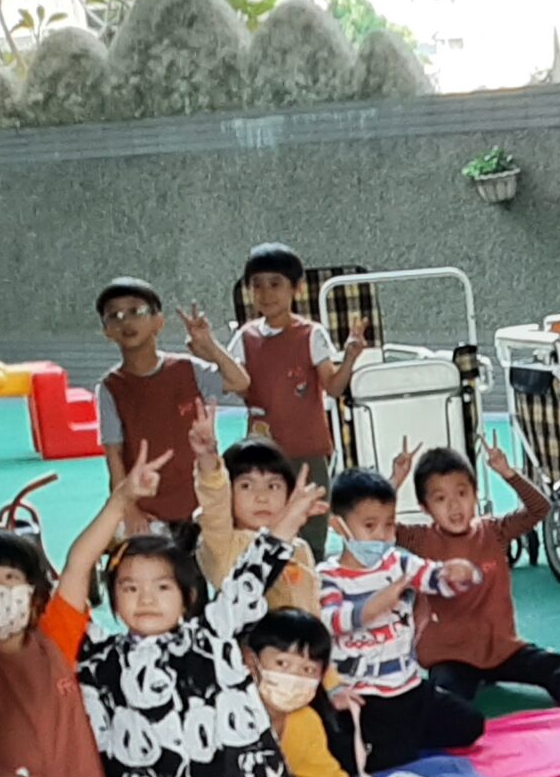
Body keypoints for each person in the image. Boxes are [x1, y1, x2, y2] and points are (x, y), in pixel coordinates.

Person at [79, 480, 318, 777]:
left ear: (186, 596)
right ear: (112, 598)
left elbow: (250, 579)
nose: (146, 598)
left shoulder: (211, 635)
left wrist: (288, 520)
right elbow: (68, 590)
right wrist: (117, 507)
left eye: (162, 588)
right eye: (129, 588)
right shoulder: (100, 659)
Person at [0, 443, 164, 777]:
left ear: (33, 592)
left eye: (9, 579)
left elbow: (79, 562)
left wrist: (121, 500)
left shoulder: (55, 637)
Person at [400, 444, 560, 708]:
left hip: (501, 650)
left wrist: (509, 473)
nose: (454, 505)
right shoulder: (421, 539)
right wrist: (395, 481)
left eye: (462, 493)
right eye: (440, 499)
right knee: (445, 697)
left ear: (476, 494)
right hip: (451, 656)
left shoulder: (494, 532)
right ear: (425, 507)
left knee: (550, 663)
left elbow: (540, 509)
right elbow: (377, 527)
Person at [319, 467, 487, 773]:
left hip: (409, 687)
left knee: (471, 725)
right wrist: (374, 606)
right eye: (370, 526)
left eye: (389, 525)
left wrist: (459, 573)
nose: (382, 536)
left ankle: (396, 737)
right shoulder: (327, 576)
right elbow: (331, 621)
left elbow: (433, 577)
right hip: (364, 695)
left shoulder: (397, 561)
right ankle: (368, 740)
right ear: (338, 526)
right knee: (387, 758)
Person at [241, 609, 440, 777]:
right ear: (250, 659)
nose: (294, 677)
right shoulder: (224, 712)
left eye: (308, 669)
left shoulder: (302, 723)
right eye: (282, 664)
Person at [225, 244, 365, 558]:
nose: (266, 293)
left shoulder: (311, 334)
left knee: (311, 532)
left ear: (296, 289)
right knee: (263, 531)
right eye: (257, 285)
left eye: (275, 284)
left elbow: (333, 387)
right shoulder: (245, 337)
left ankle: (311, 581)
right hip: (262, 456)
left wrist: (350, 357)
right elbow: (235, 383)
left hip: (308, 451)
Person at [94, 277, 220, 535]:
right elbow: (114, 455)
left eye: (136, 311)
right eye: (114, 316)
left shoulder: (188, 369)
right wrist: (129, 509)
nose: (126, 322)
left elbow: (240, 381)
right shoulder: (110, 387)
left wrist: (209, 344)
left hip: (203, 501)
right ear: (106, 331)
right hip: (148, 511)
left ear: (159, 321)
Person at [205, 440, 320, 615]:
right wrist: (207, 459)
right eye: (246, 486)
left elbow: (314, 610)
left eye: (273, 486)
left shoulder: (300, 549)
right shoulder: (223, 542)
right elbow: (213, 498)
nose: (262, 497)